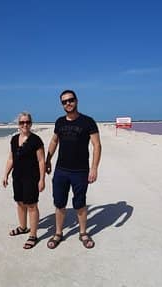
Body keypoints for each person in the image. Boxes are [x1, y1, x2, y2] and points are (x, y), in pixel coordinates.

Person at [45, 90, 101, 249]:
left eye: (70, 100)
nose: (67, 103)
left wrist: (94, 168)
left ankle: (83, 233)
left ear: (76, 100)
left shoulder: (88, 121)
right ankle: (58, 233)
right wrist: (48, 160)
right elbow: (54, 141)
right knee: (59, 203)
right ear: (61, 104)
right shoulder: (59, 122)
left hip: (81, 171)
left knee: (80, 203)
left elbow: (97, 145)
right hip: (61, 170)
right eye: (64, 102)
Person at [1, 111, 46, 249]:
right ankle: (23, 227)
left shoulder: (36, 140)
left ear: (31, 123)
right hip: (17, 177)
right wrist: (6, 174)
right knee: (20, 203)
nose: (24, 124)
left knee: (31, 205)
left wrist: (42, 179)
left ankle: (33, 235)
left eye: (27, 122)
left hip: (31, 178)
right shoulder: (14, 139)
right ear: (18, 124)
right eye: (22, 122)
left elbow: (41, 161)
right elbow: (11, 158)